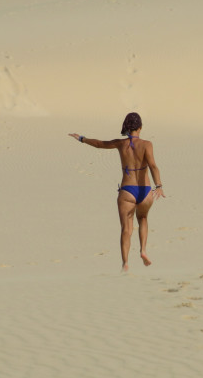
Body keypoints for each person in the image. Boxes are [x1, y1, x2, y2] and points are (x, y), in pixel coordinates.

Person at [69, 112, 165, 272]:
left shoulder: (120, 144)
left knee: (126, 229)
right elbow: (153, 166)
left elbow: (99, 144)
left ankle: (125, 263)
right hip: (146, 190)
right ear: (140, 127)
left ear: (127, 127)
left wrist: (81, 139)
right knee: (142, 218)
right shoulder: (147, 144)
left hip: (128, 190)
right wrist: (159, 185)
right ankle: (143, 251)